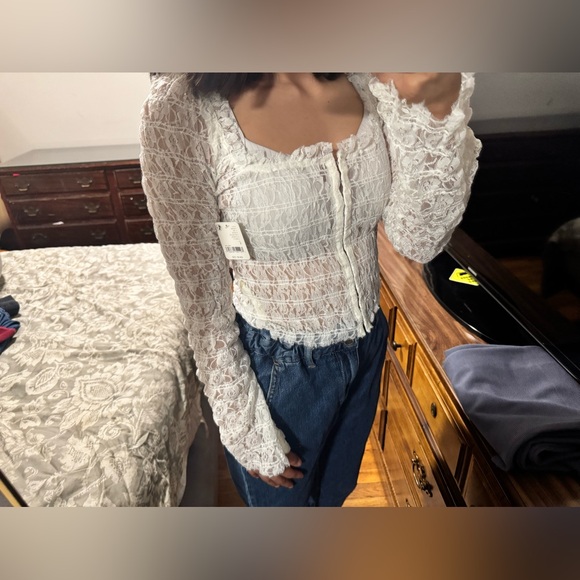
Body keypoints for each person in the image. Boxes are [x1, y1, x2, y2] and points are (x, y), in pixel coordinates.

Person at [139, 72, 481, 506]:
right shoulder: (181, 105)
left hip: (367, 344)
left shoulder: (366, 76)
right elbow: (203, 301)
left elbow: (418, 239)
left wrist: (435, 103)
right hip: (276, 372)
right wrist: (244, 426)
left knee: (336, 495)